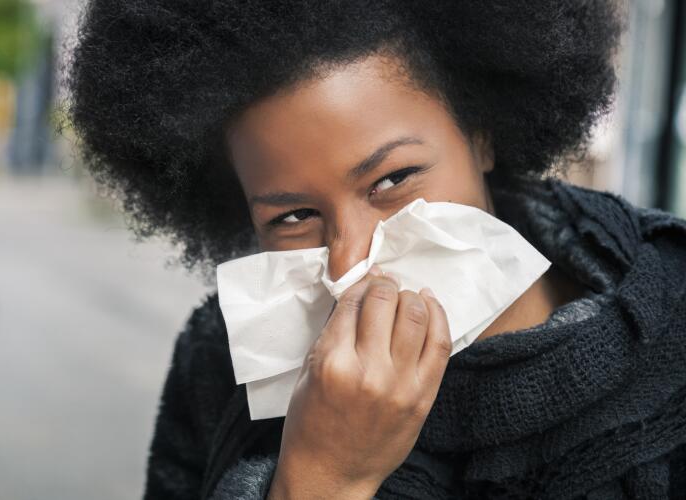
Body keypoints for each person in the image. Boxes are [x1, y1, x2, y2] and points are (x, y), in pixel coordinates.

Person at [63, 0, 686, 498]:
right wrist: (324, 476)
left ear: (481, 135)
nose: (350, 264)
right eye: (294, 216)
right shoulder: (217, 362)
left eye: (392, 180)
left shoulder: (672, 321)